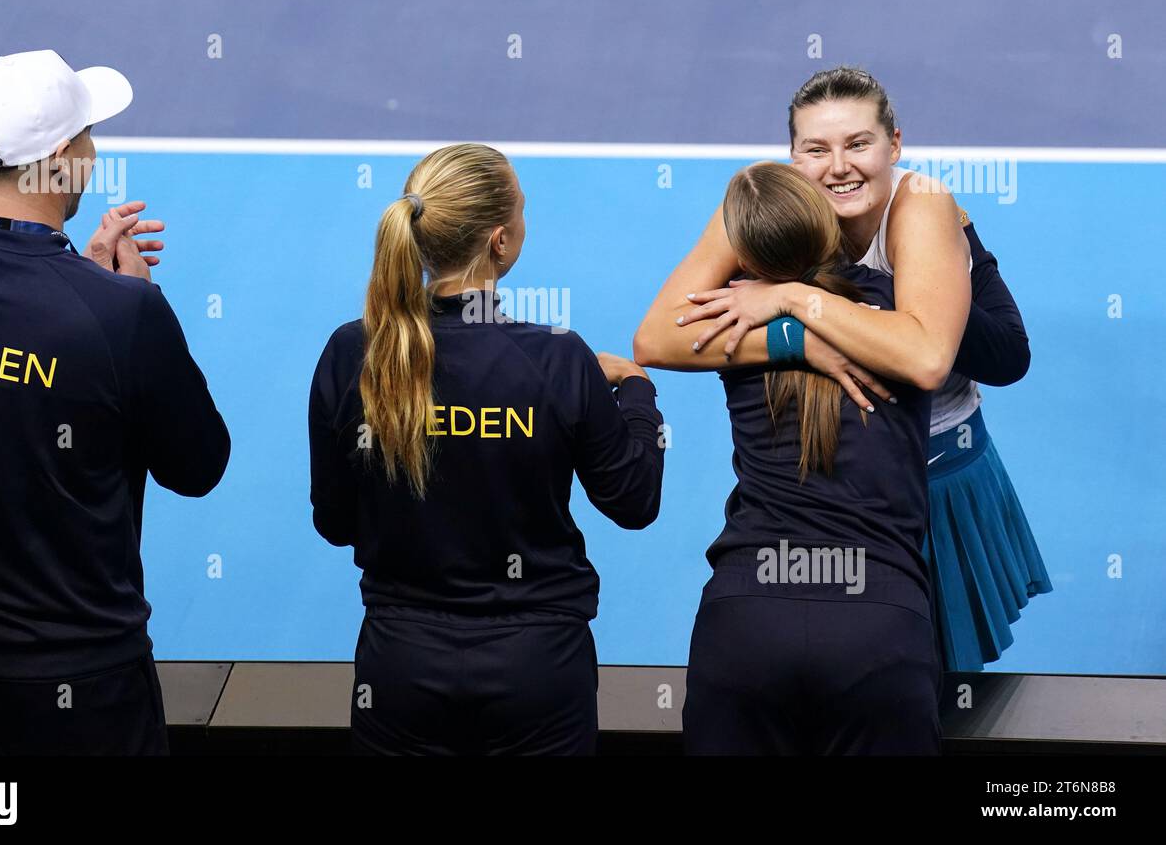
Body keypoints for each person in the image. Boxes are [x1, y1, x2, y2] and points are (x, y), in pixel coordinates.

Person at [0, 50, 230, 755]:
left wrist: (91, 292)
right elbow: (199, 464)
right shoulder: (122, 315)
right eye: (89, 137)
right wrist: (124, 299)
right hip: (76, 701)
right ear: (63, 159)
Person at [635, 66, 1049, 673]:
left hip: (939, 473)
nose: (838, 167)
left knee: (936, 678)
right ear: (792, 156)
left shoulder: (923, 204)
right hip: (832, 483)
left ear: (895, 145)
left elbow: (929, 358)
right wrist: (796, 343)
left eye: (859, 143)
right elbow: (655, 338)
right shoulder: (769, 205)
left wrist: (796, 301)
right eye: (816, 149)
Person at [309, 142, 664, 756]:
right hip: (540, 670)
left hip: (399, 668)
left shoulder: (353, 352)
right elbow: (634, 500)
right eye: (522, 209)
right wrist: (635, 392)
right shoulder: (558, 358)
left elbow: (335, 523)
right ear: (500, 241)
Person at [677, 162, 941, 754]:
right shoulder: (903, 323)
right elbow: (980, 342)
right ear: (828, 225)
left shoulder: (730, 320)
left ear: (740, 253)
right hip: (877, 621)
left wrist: (783, 309)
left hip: (745, 619)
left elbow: (655, 337)